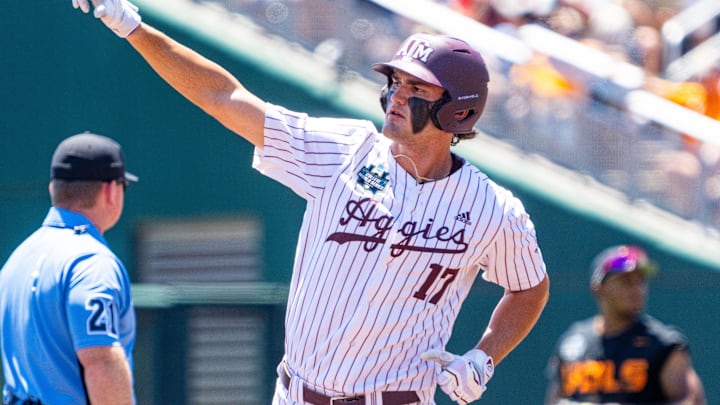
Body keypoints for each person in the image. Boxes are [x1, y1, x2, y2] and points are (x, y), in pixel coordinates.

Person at [72, 1, 550, 403]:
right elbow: (225, 95)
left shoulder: (492, 208)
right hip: (297, 393)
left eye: (417, 88)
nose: (396, 96)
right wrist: (131, 25)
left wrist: (485, 355)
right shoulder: (343, 150)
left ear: (459, 110)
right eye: (395, 83)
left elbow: (530, 287)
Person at [0, 132, 138, 404]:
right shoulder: (91, 262)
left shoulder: (16, 260)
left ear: (54, 189)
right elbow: (101, 361)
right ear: (111, 190)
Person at [545, 245, 706, 405]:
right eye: (626, 282)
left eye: (641, 281)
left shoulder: (661, 344)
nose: (637, 289)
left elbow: (690, 400)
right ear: (598, 288)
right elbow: (554, 399)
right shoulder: (573, 342)